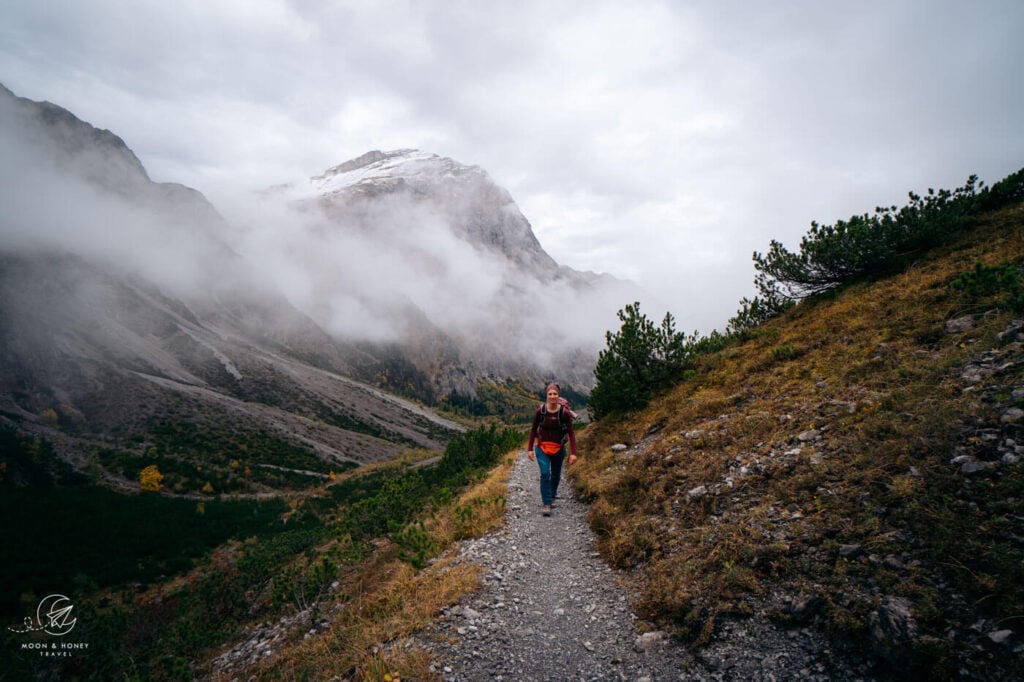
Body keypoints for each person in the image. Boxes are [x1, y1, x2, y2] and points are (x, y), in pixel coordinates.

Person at [526, 383, 577, 516]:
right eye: (550, 394)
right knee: (545, 474)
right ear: (546, 395)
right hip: (542, 447)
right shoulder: (540, 411)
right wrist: (530, 449)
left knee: (556, 474)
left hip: (558, 448)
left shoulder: (564, 413)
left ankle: (552, 494)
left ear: (558, 395)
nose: (552, 396)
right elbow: (533, 430)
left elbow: (571, 433)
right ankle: (547, 503)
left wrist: (573, 453)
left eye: (555, 394)